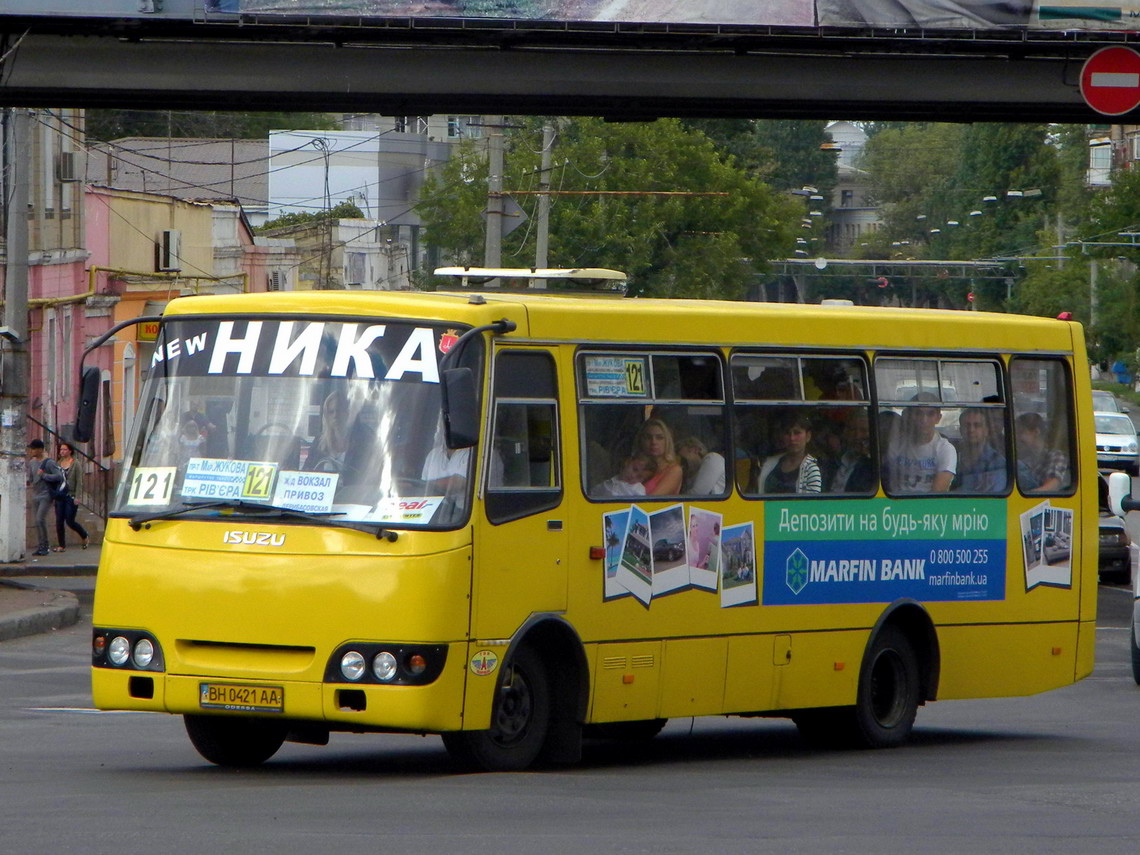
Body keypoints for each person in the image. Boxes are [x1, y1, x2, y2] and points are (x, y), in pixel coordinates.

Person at [884, 394, 956, 493]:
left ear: (938, 418)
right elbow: (888, 481)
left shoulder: (945, 449)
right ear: (910, 416)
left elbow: (938, 492)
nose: (924, 420)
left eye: (930, 414)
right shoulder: (896, 444)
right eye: (918, 413)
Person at [757, 411, 823, 494]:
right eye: (787, 433)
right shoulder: (770, 463)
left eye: (797, 433)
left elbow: (810, 505)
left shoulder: (811, 469)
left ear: (808, 436)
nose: (792, 438)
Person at [954, 408, 1007, 493]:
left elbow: (994, 496)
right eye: (967, 425)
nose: (971, 430)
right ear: (960, 430)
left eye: (977, 425)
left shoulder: (996, 463)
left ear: (986, 431)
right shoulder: (953, 456)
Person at [1015, 412, 1069, 493]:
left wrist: (1023, 496)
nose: (1017, 437)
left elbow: (1051, 486)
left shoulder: (1055, 456)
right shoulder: (1026, 457)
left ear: (1036, 432)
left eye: (1021, 433)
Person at [25, 439, 62, 557]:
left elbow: (59, 476)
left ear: (40, 449)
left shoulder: (49, 462)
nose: (31, 451)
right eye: (31, 449)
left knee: (40, 519)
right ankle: (41, 546)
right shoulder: (32, 462)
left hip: (46, 495)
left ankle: (45, 546)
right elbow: (31, 478)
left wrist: (44, 475)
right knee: (37, 521)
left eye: (34, 449)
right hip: (36, 494)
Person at [52, 441, 90, 551]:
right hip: (60, 495)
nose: (62, 451)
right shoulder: (58, 464)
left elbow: (79, 481)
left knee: (70, 520)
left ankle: (84, 535)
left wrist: (78, 496)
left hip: (71, 495)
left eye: (65, 449)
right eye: (61, 449)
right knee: (59, 521)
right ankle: (61, 545)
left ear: (70, 451)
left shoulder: (75, 463)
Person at [633, 418, 683, 495]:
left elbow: (653, 499)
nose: (653, 442)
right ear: (641, 441)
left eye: (659, 438)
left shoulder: (674, 470)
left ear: (667, 441)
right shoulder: (633, 466)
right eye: (648, 437)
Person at [829, 411, 875, 493]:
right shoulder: (836, 460)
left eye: (864, 430)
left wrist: (866, 457)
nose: (857, 436)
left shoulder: (874, 464)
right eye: (853, 430)